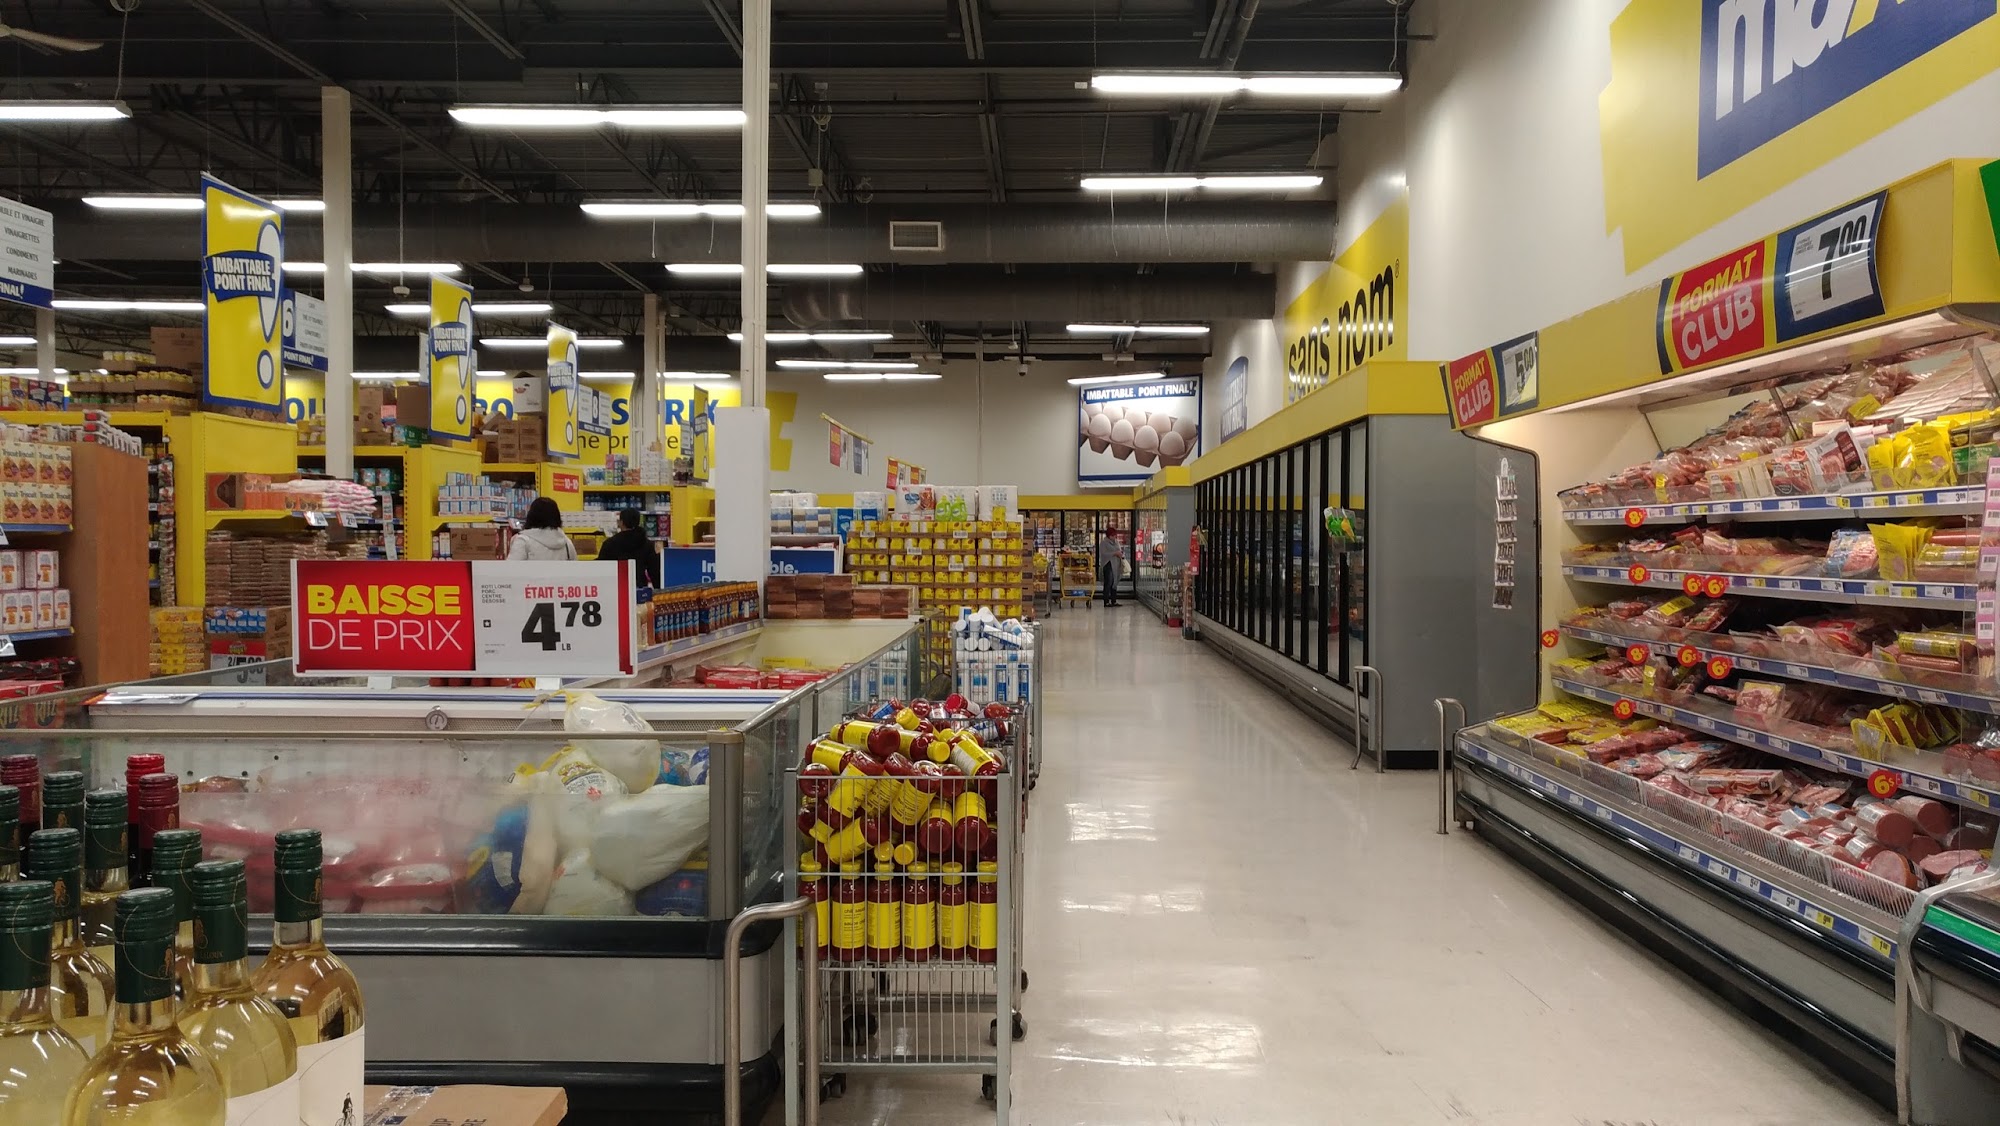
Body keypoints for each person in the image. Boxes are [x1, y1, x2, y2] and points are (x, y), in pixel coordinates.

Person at [595, 508, 661, 585]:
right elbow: (654, 571)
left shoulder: (610, 544)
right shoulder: (647, 544)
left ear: (621, 522)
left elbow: (601, 569)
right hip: (639, 586)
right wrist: (659, 588)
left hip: (617, 586)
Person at [508, 496, 578, 560]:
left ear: (531, 516)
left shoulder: (523, 541)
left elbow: (511, 568)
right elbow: (575, 567)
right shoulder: (567, 543)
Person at [1097, 529, 1123, 607]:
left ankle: (1114, 600)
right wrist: (1114, 553)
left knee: (1114, 582)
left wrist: (1120, 554)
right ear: (1109, 535)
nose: (1115, 537)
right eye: (1113, 535)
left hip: (1116, 565)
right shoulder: (1104, 543)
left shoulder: (1116, 542)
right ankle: (1106, 601)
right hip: (1108, 564)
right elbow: (1103, 554)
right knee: (1108, 582)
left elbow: (1119, 550)